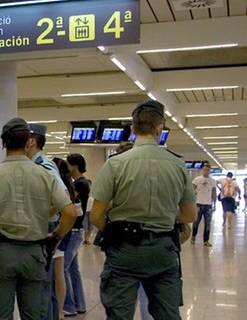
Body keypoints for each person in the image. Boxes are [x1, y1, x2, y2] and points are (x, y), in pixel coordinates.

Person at [90, 99, 197, 319]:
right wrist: (166, 217)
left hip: (124, 250)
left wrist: (113, 233)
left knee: (119, 314)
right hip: (163, 250)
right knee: (167, 314)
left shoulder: (116, 164)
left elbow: (96, 215)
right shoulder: (177, 164)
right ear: (160, 128)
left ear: (132, 128)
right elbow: (189, 215)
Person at [0, 117, 77, 320]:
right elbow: (70, 212)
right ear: (28, 143)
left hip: (1, 255)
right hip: (34, 254)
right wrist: (56, 236)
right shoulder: (45, 175)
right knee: (35, 315)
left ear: (3, 143)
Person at [27, 123, 66, 320]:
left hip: (44, 227)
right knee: (45, 287)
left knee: (42, 288)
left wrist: (43, 217)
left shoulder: (44, 166)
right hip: (45, 225)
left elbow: (63, 198)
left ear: (32, 141)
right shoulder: (38, 164)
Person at [62, 153, 88, 316]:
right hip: (78, 230)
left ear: (75, 166)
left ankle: (69, 305)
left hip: (73, 230)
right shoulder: (83, 183)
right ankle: (80, 304)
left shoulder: (79, 185)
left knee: (63, 268)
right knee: (73, 269)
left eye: (68, 165)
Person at [52, 157, 78, 320]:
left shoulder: (58, 188)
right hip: (66, 231)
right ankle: (62, 310)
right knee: (61, 271)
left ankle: (60, 309)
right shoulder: (69, 187)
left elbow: (61, 209)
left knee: (58, 272)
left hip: (58, 230)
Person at [191, 162, 217, 246]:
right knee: (196, 222)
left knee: (208, 224)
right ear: (202, 170)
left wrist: (214, 203)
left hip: (208, 204)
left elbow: (214, 193)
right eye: (205, 170)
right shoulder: (197, 180)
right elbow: (191, 191)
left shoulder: (212, 181)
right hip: (198, 203)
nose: (206, 171)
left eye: (208, 170)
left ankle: (206, 241)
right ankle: (193, 236)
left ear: (210, 171)